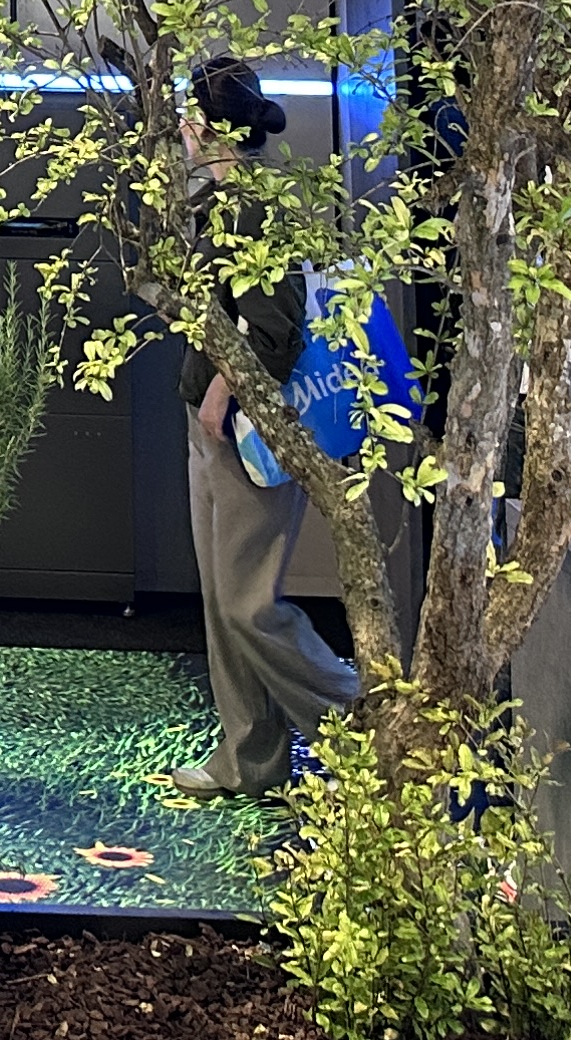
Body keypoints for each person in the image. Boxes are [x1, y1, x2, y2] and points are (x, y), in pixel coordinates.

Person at [163, 54, 363, 802]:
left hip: (247, 428)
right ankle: (250, 757)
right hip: (214, 426)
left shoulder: (250, 206)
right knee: (224, 603)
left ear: (201, 125)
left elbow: (275, 332)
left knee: (248, 604)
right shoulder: (223, 199)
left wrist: (221, 392)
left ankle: (360, 724)